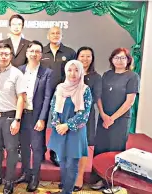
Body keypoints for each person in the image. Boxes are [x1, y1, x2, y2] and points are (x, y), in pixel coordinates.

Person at [91, 48, 140, 190]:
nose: (119, 60)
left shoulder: (132, 76)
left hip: (120, 120)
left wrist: (112, 118)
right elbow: (98, 96)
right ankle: (99, 178)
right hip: (103, 118)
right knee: (100, 147)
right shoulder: (106, 75)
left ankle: (112, 182)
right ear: (111, 59)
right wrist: (103, 115)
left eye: (123, 58)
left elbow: (129, 101)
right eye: (116, 58)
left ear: (128, 60)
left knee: (115, 150)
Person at [48, 60, 92, 194]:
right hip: (60, 130)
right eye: (70, 70)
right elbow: (53, 107)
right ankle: (65, 186)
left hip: (75, 131)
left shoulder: (85, 89)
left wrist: (67, 125)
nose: (73, 73)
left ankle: (67, 191)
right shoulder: (60, 87)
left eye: (76, 70)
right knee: (61, 160)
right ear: (65, 71)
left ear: (81, 72)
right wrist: (57, 125)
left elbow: (84, 113)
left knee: (72, 163)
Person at [15, 41, 53, 192]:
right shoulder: (19, 70)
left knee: (36, 148)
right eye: (32, 51)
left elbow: (47, 97)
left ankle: (35, 178)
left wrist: (42, 118)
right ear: (27, 53)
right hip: (21, 115)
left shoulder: (47, 72)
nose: (34, 54)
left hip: (36, 116)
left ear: (41, 55)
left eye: (38, 51)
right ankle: (25, 173)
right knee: (23, 146)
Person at [0, 43, 25, 194]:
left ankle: (9, 181)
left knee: (11, 150)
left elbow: (21, 98)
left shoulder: (17, 74)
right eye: (1, 53)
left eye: (7, 54)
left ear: (11, 56)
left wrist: (17, 120)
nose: (3, 56)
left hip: (10, 117)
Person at [41, 26, 77, 166]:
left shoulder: (69, 53)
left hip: (63, 95)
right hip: (42, 93)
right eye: (52, 33)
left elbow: (75, 73)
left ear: (62, 35)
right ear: (47, 36)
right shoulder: (41, 51)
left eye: (58, 33)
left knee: (58, 124)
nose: (55, 35)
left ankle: (55, 153)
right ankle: (40, 151)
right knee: (41, 122)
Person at [72, 46, 102, 191]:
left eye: (88, 56)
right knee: (70, 147)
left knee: (82, 148)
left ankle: (79, 178)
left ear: (92, 58)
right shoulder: (71, 73)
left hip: (86, 117)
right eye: (82, 56)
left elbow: (95, 98)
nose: (85, 59)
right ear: (77, 57)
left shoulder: (96, 77)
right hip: (69, 115)